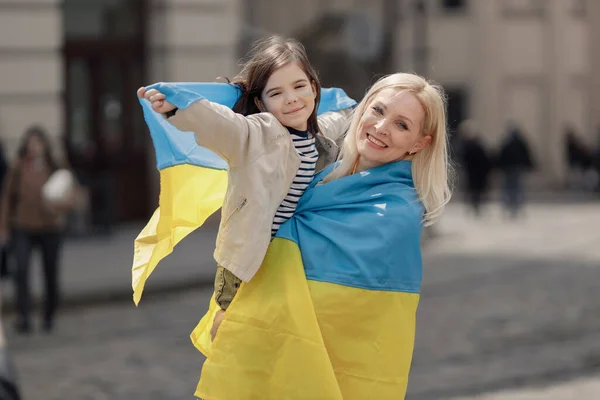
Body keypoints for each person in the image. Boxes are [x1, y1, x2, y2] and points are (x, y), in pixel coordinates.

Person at [187, 72, 451, 399]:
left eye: (402, 125)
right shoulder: (323, 174)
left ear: (419, 143)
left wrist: (240, 316)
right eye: (378, 111)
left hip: (318, 374)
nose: (382, 127)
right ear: (363, 109)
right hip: (274, 359)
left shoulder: (397, 211)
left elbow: (336, 307)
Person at [137, 36, 353, 314]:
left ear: (314, 88)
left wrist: (355, 108)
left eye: (299, 86)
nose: (292, 99)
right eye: (276, 93)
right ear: (261, 104)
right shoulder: (257, 134)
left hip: (288, 260)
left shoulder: (317, 134)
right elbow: (223, 124)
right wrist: (181, 107)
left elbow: (339, 120)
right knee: (233, 340)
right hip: (246, 266)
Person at [0, 126, 74, 334]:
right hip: (23, 226)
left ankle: (49, 314)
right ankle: (24, 316)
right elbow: (7, 197)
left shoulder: (54, 166)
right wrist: (3, 227)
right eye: (31, 144)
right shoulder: (18, 167)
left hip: (50, 227)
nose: (35, 148)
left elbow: (71, 193)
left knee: (50, 272)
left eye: (38, 143)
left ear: (44, 145)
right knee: (21, 269)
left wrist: (63, 204)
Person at [497, 125, 534, 218]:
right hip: (516, 168)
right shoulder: (520, 142)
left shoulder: (507, 142)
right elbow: (526, 155)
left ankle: (509, 207)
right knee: (517, 188)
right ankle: (516, 207)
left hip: (509, 169)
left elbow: (501, 156)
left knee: (509, 189)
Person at [458, 119, 492, 217]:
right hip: (473, 172)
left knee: (475, 190)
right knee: (474, 191)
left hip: (477, 173)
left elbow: (484, 159)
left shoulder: (474, 144)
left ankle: (476, 207)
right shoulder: (469, 144)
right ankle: (475, 207)